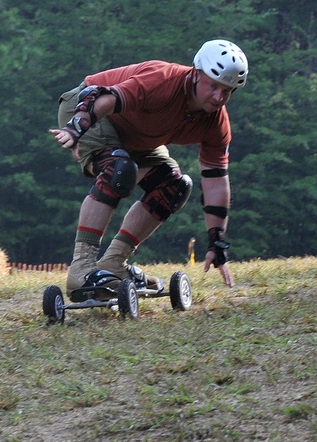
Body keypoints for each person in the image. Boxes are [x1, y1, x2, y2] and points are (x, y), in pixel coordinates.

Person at [49, 39, 246, 291]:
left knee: (174, 186)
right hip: (90, 109)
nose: (219, 97)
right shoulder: (163, 81)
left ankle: (113, 264)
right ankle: (81, 269)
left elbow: (216, 179)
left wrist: (217, 241)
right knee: (118, 170)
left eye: (227, 91)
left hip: (136, 135)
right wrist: (78, 126)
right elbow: (105, 97)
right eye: (213, 86)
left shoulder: (216, 123)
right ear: (197, 74)